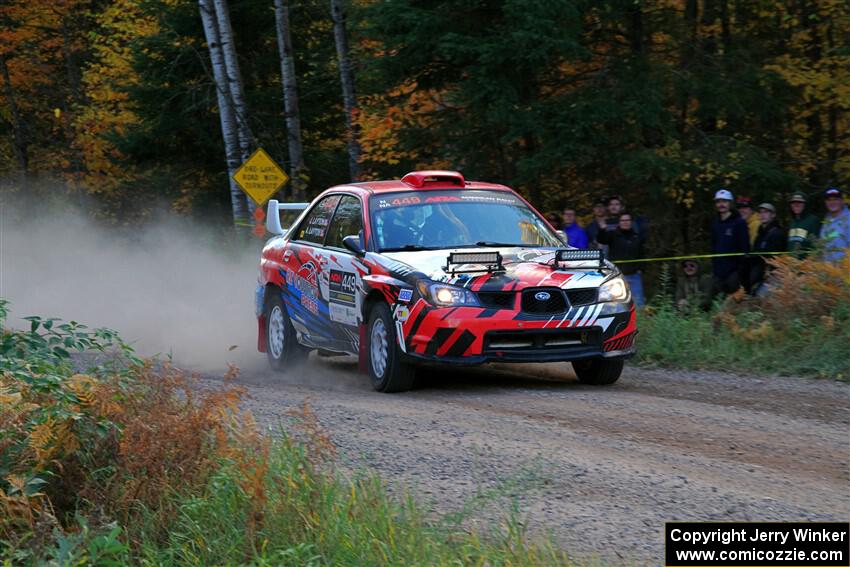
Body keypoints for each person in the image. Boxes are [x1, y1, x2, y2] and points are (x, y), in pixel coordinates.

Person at [596, 212, 646, 305]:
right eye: (622, 220)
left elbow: (642, 254)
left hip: (635, 275)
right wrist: (602, 229)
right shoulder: (612, 234)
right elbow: (601, 240)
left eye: (627, 220)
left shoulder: (637, 236)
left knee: (639, 303)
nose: (625, 222)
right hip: (618, 276)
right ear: (619, 222)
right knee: (617, 304)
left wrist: (641, 269)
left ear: (631, 222)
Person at [710, 189, 750, 296]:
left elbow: (745, 248)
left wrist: (740, 271)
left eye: (724, 201)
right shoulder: (715, 224)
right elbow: (713, 246)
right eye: (718, 202)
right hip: (719, 271)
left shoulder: (739, 222)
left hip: (734, 271)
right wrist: (714, 268)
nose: (721, 204)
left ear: (730, 203)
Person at [749, 203, 785, 295]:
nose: (762, 215)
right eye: (760, 212)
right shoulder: (760, 233)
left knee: (761, 296)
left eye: (766, 212)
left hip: (772, 274)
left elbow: (777, 258)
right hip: (758, 272)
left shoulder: (777, 233)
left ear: (773, 215)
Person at [821, 187, 850, 262]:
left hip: (844, 270)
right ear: (825, 202)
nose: (832, 202)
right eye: (829, 200)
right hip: (826, 270)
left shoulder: (848, 220)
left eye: (835, 199)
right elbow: (821, 246)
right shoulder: (826, 221)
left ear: (842, 201)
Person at [786, 192, 820, 257]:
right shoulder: (792, 222)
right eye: (793, 203)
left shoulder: (813, 220)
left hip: (806, 265)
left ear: (806, 204)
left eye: (800, 202)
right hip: (791, 264)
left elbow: (816, 246)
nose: (796, 205)